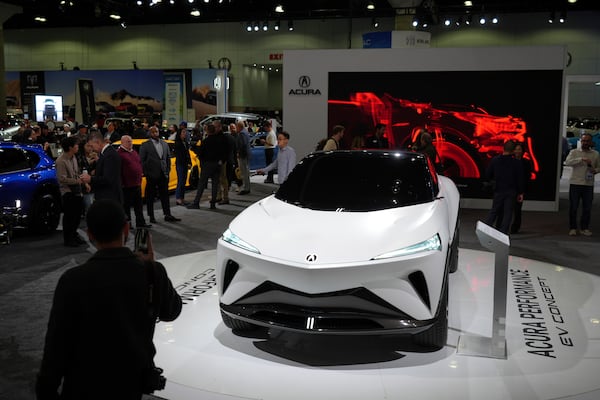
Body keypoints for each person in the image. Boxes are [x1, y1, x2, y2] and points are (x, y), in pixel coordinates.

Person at [36, 199, 182, 400]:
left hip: (83, 387)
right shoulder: (150, 272)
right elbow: (171, 311)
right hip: (131, 385)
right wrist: (153, 267)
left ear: (89, 235)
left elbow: (57, 345)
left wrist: (46, 390)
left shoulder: (73, 280)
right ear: (126, 228)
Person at [139, 126, 181, 223]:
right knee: (150, 197)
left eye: (156, 132)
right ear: (150, 133)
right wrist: (147, 173)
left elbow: (168, 158)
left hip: (163, 174)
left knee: (165, 196)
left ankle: (167, 214)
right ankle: (151, 216)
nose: (155, 134)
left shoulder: (164, 144)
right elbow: (141, 161)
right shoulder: (145, 145)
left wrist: (168, 170)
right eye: (153, 132)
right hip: (151, 175)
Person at [484, 140, 524, 234]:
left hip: (499, 189)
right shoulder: (517, 163)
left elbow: (487, 174)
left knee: (494, 210)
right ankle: (503, 233)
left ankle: (486, 230)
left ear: (503, 148)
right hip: (511, 191)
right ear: (513, 150)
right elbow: (520, 179)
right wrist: (521, 192)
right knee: (508, 213)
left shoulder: (495, 160)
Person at [564, 132, 600, 236]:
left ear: (591, 142)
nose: (585, 143)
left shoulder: (595, 154)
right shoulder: (574, 152)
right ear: (580, 141)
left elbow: (599, 167)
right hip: (575, 183)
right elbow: (567, 162)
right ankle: (573, 227)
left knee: (587, 208)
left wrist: (595, 170)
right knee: (573, 207)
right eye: (583, 140)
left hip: (588, 184)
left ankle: (585, 228)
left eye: (587, 141)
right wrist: (581, 159)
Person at [187, 123, 229, 210]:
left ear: (207, 131)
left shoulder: (205, 141)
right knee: (215, 184)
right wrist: (221, 161)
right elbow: (224, 152)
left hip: (207, 165)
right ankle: (213, 204)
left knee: (201, 184)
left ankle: (196, 202)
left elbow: (200, 153)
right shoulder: (219, 141)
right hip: (217, 164)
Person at [55, 136, 85, 247]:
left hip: (77, 190)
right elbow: (62, 179)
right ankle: (68, 238)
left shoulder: (73, 157)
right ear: (70, 147)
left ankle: (74, 234)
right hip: (67, 192)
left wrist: (82, 181)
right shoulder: (61, 161)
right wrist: (77, 181)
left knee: (77, 216)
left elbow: (76, 172)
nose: (78, 146)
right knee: (69, 216)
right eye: (76, 145)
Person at [118, 135, 152, 229]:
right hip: (127, 185)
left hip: (137, 183)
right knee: (126, 206)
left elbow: (139, 163)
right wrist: (122, 183)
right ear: (123, 143)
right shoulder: (120, 154)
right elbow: (119, 170)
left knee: (139, 205)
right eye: (128, 142)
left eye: (131, 141)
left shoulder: (133, 152)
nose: (131, 143)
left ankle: (140, 222)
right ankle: (128, 224)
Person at [81, 131, 123, 203]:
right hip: (106, 196)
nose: (91, 149)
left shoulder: (109, 155)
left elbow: (108, 179)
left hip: (110, 198)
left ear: (98, 142)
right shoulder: (104, 154)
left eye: (92, 146)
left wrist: (90, 179)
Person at [510, 142, 532, 234]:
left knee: (517, 210)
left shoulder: (526, 163)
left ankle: (515, 228)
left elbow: (527, 177)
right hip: (509, 189)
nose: (517, 151)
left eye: (519, 149)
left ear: (522, 151)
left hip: (520, 190)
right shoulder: (509, 162)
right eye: (516, 149)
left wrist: (522, 192)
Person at [173, 126, 191, 206]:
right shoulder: (177, 143)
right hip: (180, 164)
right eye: (183, 132)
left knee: (184, 181)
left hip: (185, 164)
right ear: (179, 134)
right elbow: (179, 155)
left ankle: (182, 198)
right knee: (180, 181)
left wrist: (189, 162)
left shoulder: (185, 143)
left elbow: (188, 153)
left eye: (185, 132)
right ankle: (178, 198)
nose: (185, 134)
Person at [235, 120, 252, 195]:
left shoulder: (242, 134)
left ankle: (246, 188)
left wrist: (238, 152)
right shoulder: (246, 132)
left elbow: (242, 145)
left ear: (239, 127)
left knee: (244, 172)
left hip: (243, 155)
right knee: (246, 172)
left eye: (236, 127)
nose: (236, 128)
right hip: (246, 154)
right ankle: (247, 187)